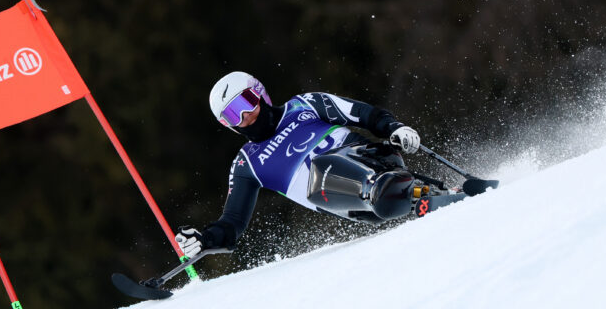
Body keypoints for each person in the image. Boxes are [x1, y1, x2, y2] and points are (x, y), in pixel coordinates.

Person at [175, 71, 421, 258]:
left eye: (246, 103)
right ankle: (393, 192)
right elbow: (232, 222)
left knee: (327, 163)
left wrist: (395, 128)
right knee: (319, 172)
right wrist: (204, 239)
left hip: (377, 159)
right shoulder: (246, 163)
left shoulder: (305, 104)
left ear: (259, 93)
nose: (245, 116)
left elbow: (363, 114)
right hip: (353, 202)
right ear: (228, 126)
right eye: (233, 116)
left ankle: (412, 190)